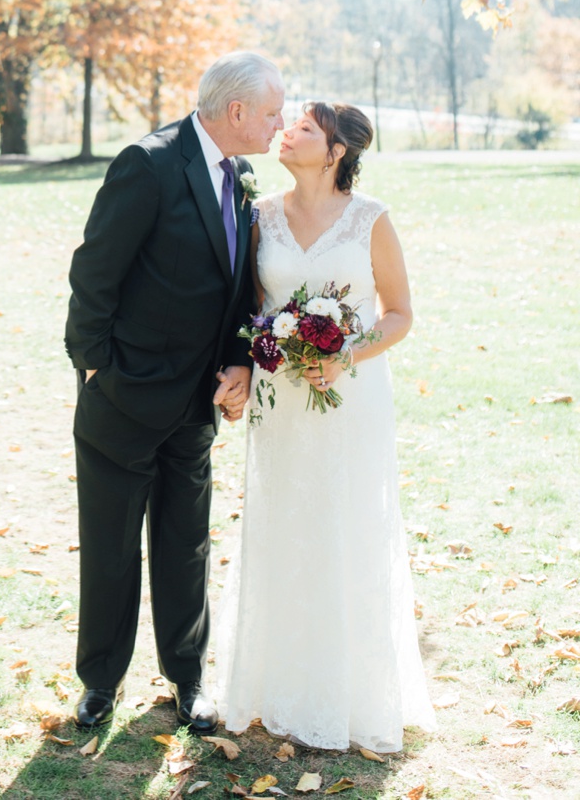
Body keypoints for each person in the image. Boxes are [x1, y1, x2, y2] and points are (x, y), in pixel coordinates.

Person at [63, 51, 284, 735]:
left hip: (196, 407)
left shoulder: (241, 177)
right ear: (238, 111)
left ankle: (187, 681)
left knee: (185, 545)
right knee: (109, 548)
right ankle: (100, 682)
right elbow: (94, 272)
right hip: (122, 401)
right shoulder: (148, 163)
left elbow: (236, 289)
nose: (281, 125)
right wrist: (95, 369)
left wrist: (238, 360)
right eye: (273, 112)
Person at [209, 101, 431, 750]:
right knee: (283, 528)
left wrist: (344, 356)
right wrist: (249, 365)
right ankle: (275, 683)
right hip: (281, 403)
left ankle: (351, 695)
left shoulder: (371, 220)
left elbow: (399, 314)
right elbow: (249, 309)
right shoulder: (262, 217)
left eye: (305, 128)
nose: (287, 132)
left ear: (336, 152)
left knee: (346, 530)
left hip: (350, 402)